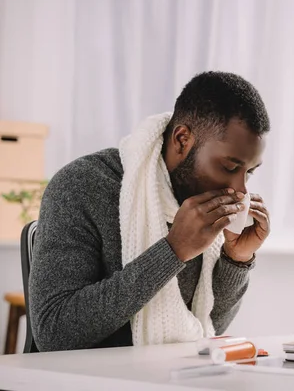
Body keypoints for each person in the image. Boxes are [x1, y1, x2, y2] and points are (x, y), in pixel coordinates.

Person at [29, 71, 270, 351]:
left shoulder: (201, 208)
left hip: (171, 376)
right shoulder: (81, 186)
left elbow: (208, 326)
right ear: (182, 140)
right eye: (229, 167)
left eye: (249, 172)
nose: (240, 189)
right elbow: (53, 332)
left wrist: (236, 260)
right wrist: (173, 251)